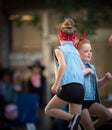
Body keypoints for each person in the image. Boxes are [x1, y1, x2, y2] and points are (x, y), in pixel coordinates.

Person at [44, 18, 84, 130]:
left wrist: (56, 85)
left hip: (69, 86)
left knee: (49, 110)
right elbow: (82, 67)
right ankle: (74, 118)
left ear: (59, 36)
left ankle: (72, 118)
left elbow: (63, 66)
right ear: (74, 38)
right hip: (80, 88)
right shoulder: (75, 51)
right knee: (75, 126)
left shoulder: (59, 49)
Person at [75, 38, 112, 130]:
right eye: (86, 51)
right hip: (79, 102)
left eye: (90, 51)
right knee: (89, 127)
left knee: (107, 115)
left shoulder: (92, 67)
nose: (89, 53)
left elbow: (97, 84)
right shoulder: (75, 66)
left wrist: (105, 79)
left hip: (91, 101)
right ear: (77, 53)